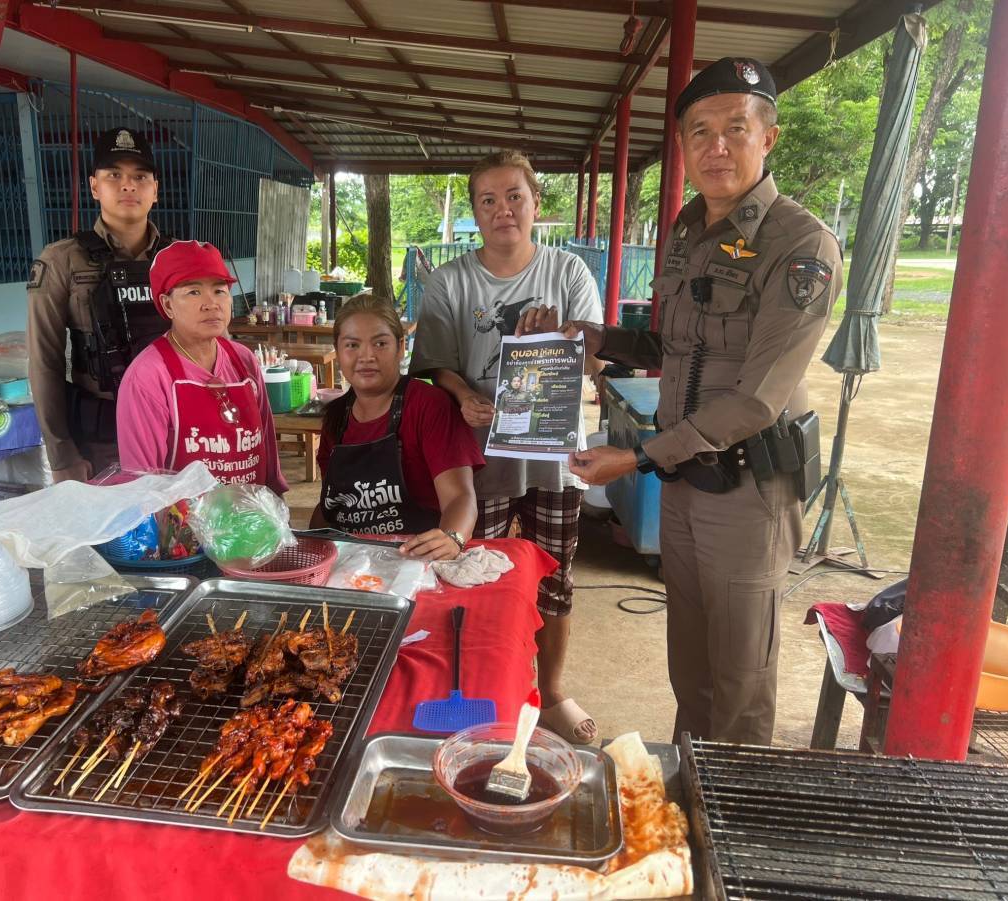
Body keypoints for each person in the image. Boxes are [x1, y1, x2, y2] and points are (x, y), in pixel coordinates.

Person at [518, 58, 843, 745]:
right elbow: (673, 346)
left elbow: (756, 400)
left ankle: (733, 800)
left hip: (748, 489)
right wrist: (591, 335)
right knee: (690, 667)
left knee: (740, 680)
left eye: (735, 129)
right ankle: (689, 787)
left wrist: (637, 458)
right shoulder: (689, 230)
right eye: (700, 132)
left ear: (768, 138)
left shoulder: (800, 243)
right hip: (685, 484)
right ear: (684, 146)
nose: (716, 146)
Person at [410, 150, 604, 744]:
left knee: (555, 580)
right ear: (474, 212)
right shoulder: (449, 281)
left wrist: (561, 339)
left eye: (514, 196)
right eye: (488, 200)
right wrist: (463, 394)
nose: (503, 210)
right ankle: (482, 692)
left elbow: (595, 360)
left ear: (535, 203)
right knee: (472, 578)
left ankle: (553, 693)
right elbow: (434, 364)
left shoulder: (569, 272)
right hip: (478, 458)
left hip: (553, 457)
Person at [27, 127, 172, 483]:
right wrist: (61, 455)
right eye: (114, 175)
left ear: (155, 189)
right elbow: (45, 362)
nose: (128, 185)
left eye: (140, 176)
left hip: (176, 432)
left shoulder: (179, 258)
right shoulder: (62, 261)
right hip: (100, 443)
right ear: (94, 187)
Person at [313, 294, 482, 561]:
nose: (366, 356)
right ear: (337, 350)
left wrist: (452, 538)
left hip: (416, 558)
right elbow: (331, 505)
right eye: (352, 345)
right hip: (351, 560)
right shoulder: (336, 417)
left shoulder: (429, 405)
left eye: (380, 343)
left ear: (401, 347)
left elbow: (460, 497)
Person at [116, 239, 287, 493]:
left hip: (252, 513)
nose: (211, 303)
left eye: (219, 291)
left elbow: (267, 449)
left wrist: (276, 503)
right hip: (183, 518)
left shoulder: (243, 360)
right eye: (193, 292)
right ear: (167, 305)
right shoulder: (147, 377)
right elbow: (142, 486)